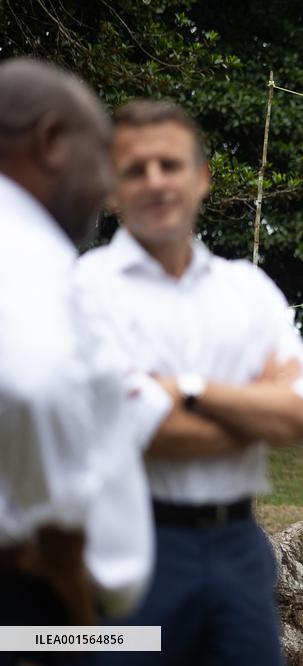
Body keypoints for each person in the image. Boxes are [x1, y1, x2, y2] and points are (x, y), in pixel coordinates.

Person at [77, 99, 303, 665]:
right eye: (134, 169)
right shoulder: (86, 291)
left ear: (201, 178)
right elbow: (130, 426)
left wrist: (187, 390)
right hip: (132, 549)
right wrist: (258, 413)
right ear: (110, 189)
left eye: (170, 165)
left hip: (240, 548)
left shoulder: (245, 290)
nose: (155, 181)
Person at [0, 56, 155, 656]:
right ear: (51, 141)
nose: (109, 191)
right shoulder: (32, 256)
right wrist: (73, 594)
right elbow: (33, 386)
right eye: (103, 162)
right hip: (38, 604)